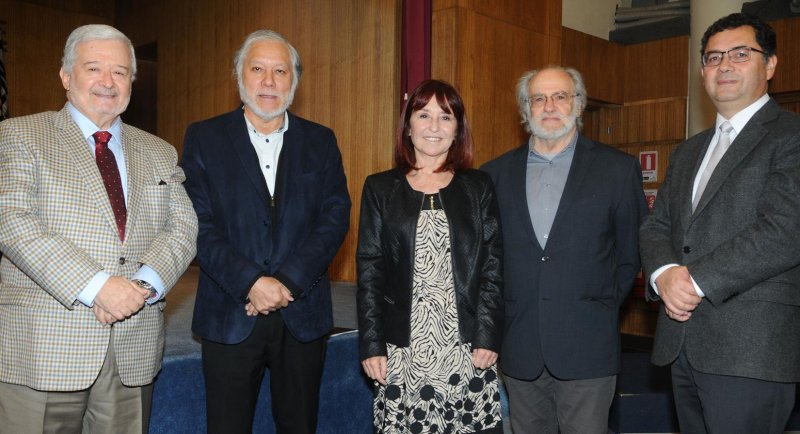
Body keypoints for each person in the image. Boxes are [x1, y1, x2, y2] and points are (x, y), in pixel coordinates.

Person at [0, 24, 198, 433]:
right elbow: (12, 221)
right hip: (44, 347)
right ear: (66, 76)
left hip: (133, 344)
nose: (108, 82)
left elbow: (183, 228)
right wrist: (98, 286)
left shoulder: (160, 151)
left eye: (121, 72)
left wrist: (141, 287)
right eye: (94, 68)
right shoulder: (18, 135)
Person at [181, 29, 351, 434]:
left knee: (299, 426)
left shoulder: (321, 140)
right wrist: (252, 282)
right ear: (240, 75)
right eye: (258, 69)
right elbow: (195, 223)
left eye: (280, 71)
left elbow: (335, 217)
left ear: (294, 81)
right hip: (230, 312)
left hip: (302, 313)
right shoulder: (204, 137)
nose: (269, 81)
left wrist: (286, 282)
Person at [639, 13, 800, 434]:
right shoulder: (689, 150)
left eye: (740, 54)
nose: (724, 65)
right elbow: (657, 227)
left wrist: (691, 280)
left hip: (752, 350)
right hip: (682, 344)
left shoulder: (791, 136)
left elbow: (785, 230)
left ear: (770, 65)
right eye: (712, 58)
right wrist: (663, 274)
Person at [481, 66, 646, 434]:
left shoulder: (617, 170)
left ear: (579, 103)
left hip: (588, 345)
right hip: (519, 348)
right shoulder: (493, 175)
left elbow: (629, 254)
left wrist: (594, 305)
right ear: (526, 109)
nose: (549, 106)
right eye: (538, 98)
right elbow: (488, 262)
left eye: (560, 96)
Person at [357, 79, 504, 434]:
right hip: (402, 348)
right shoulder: (379, 188)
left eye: (446, 117)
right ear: (408, 127)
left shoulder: (478, 186)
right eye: (424, 115)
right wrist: (372, 344)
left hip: (465, 347)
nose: (434, 127)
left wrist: (488, 335)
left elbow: (493, 267)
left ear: (458, 130)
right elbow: (370, 271)